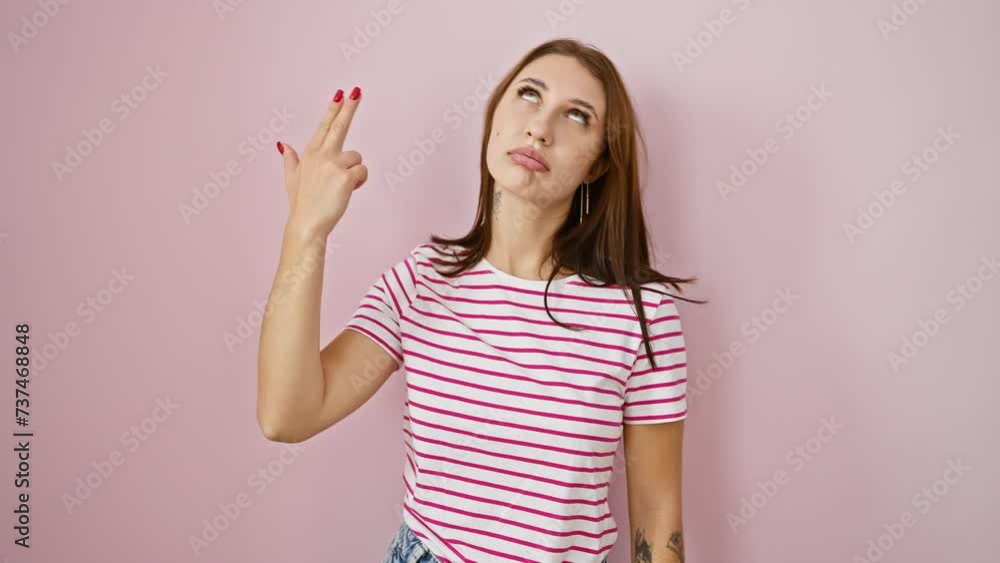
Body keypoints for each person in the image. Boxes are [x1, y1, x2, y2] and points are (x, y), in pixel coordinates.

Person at [257, 38, 706, 563]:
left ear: (597, 165)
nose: (540, 128)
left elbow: (656, 514)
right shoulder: (423, 281)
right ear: (494, 118)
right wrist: (306, 230)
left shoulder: (641, 313)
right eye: (530, 94)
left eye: (576, 115)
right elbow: (287, 416)